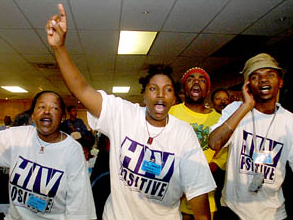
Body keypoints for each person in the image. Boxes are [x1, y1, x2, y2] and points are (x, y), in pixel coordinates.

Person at [46, 4, 216, 220]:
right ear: (144, 96)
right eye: (153, 89)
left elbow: (199, 191)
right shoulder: (123, 114)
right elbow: (82, 89)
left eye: (168, 90)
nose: (160, 95)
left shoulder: (183, 133)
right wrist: (59, 48)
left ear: (174, 99)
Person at [0, 79, 96, 220]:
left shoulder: (72, 150)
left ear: (62, 117)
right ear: (33, 116)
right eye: (41, 107)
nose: (47, 111)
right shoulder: (19, 136)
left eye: (54, 108)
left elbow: (79, 209)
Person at [209, 53, 293, 220]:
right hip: (232, 211)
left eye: (270, 74)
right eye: (255, 76)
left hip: (273, 214)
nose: (263, 80)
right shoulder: (235, 110)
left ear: (281, 81)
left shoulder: (289, 121)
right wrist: (246, 106)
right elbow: (214, 142)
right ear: (247, 85)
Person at [169, 67, 227, 219]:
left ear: (207, 91)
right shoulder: (172, 112)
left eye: (202, 80)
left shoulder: (219, 120)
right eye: (190, 79)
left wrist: (207, 170)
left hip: (206, 193)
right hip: (176, 192)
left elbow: (224, 154)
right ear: (183, 89)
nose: (196, 81)